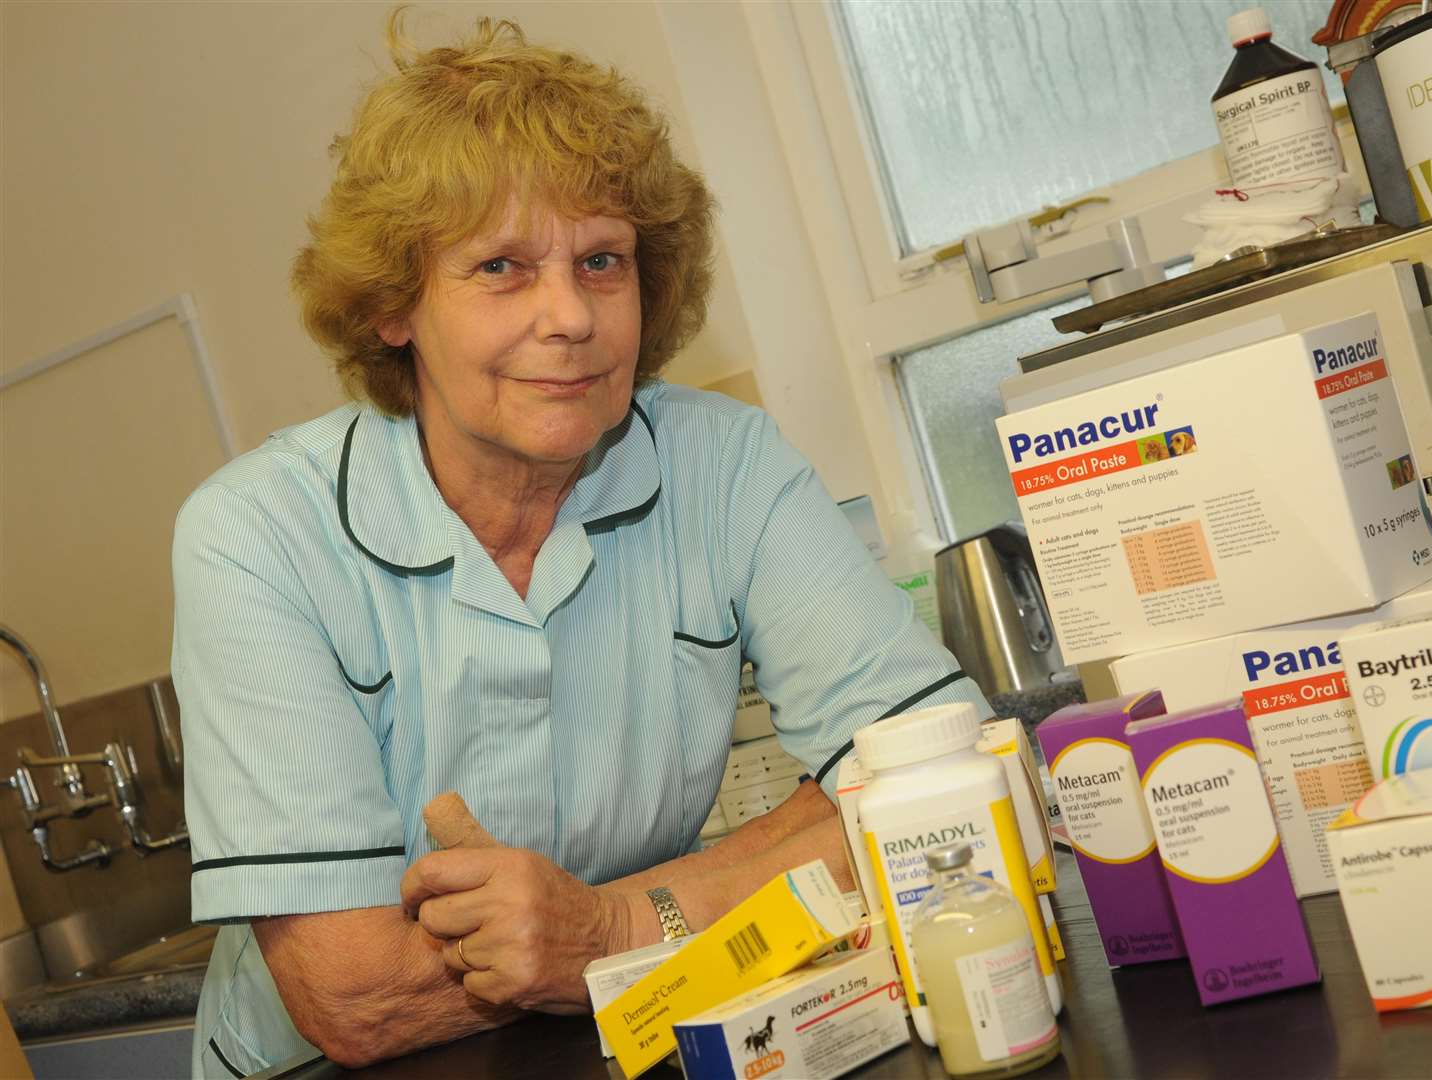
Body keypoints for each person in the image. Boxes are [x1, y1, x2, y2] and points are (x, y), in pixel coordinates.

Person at [172, 12, 986, 1078]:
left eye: (602, 260)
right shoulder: (256, 536)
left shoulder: (724, 464)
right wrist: (735, 886)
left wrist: (601, 933)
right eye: (502, 266)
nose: (570, 314)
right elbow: (356, 994)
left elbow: (941, 778)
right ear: (395, 306)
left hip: (615, 1041)